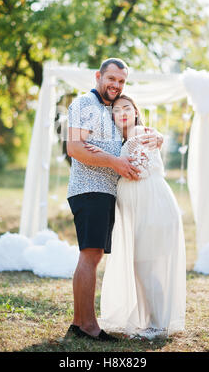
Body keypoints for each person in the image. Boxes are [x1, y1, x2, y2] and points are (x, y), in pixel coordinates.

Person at [66, 59, 162, 342]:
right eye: (111, 79)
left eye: (121, 81)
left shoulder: (110, 109)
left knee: (92, 255)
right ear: (98, 75)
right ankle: (89, 327)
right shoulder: (84, 104)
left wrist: (157, 136)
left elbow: (134, 130)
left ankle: (78, 322)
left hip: (106, 191)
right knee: (90, 255)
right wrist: (115, 162)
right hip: (89, 189)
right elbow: (74, 147)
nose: (116, 85)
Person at [85, 95, 186, 339]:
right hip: (141, 209)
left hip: (152, 206)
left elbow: (136, 170)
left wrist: (107, 160)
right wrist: (109, 157)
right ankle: (150, 321)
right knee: (143, 266)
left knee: (147, 266)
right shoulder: (123, 139)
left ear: (136, 111)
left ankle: (159, 325)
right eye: (117, 110)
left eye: (127, 108)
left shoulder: (141, 132)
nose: (122, 113)